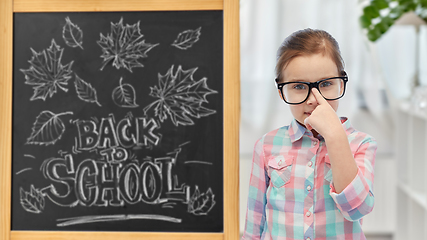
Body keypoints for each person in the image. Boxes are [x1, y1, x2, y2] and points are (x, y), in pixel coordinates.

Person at [241, 28, 377, 240]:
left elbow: (357, 209)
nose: (313, 99)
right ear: (281, 91)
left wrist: (335, 137)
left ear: (341, 83)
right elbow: (254, 221)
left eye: (325, 84)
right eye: (298, 86)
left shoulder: (361, 144)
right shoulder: (266, 145)